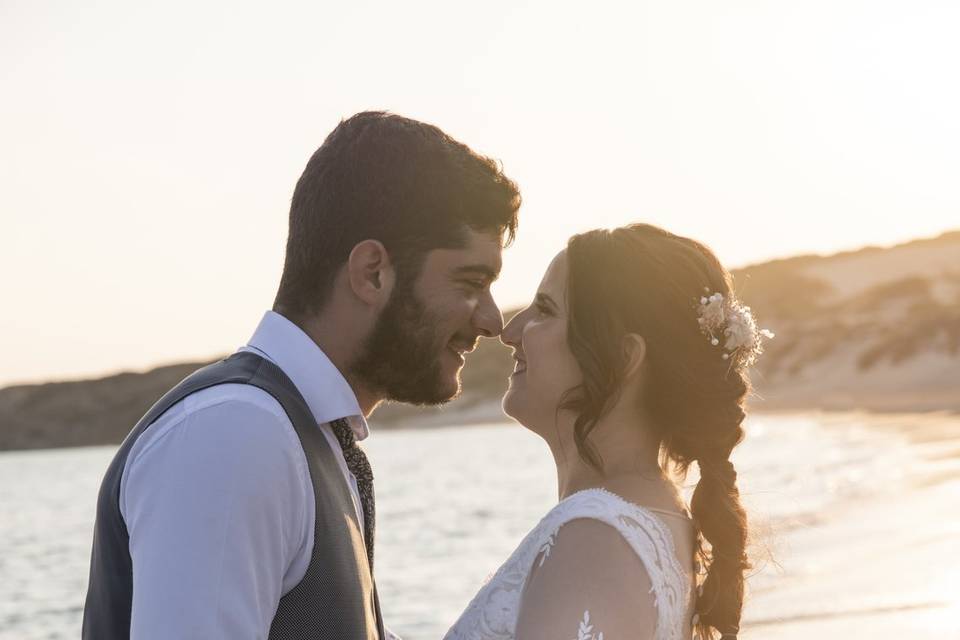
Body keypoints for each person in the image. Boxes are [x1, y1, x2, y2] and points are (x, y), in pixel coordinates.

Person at [82, 111, 521, 639]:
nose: (493, 321)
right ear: (371, 273)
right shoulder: (237, 434)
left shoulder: (307, 438)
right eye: (471, 280)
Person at [446, 223, 772, 640]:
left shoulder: (593, 539)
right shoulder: (655, 518)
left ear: (623, 357)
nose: (510, 332)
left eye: (545, 309)